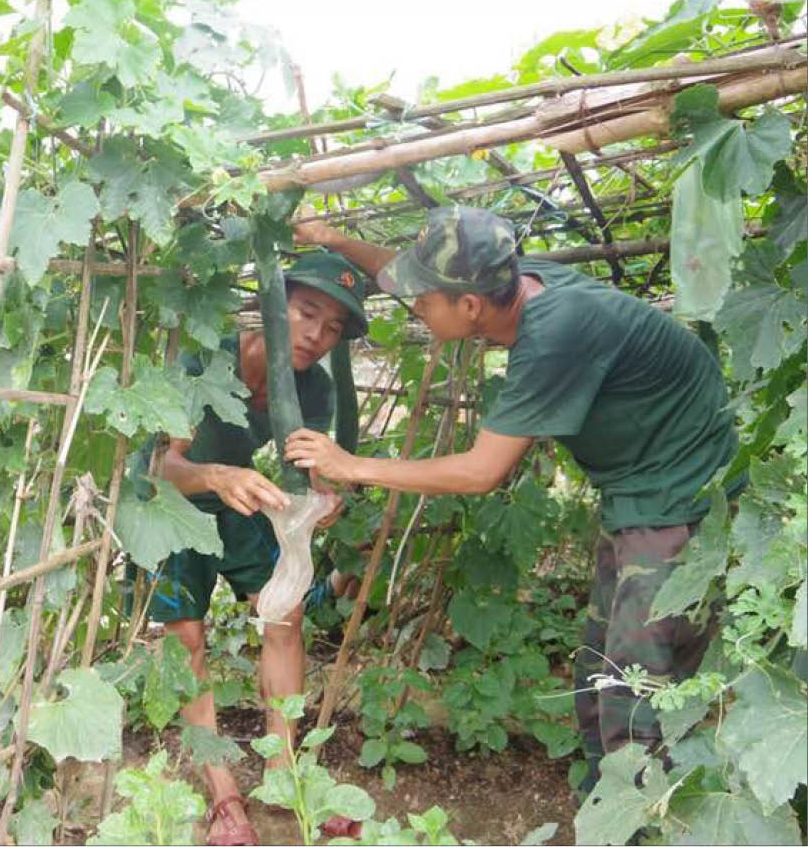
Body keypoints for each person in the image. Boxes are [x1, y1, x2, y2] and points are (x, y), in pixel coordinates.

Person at [285, 205, 740, 798]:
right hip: (641, 495)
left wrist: (350, 464)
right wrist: (334, 239)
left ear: (470, 307)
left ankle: (651, 819)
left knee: (636, 692)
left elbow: (481, 471)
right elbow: (400, 272)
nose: (412, 303)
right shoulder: (514, 279)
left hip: (682, 508)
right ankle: (608, 807)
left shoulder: (553, 333)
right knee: (596, 673)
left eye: (424, 298)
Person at [146, 252, 367, 845]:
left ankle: (282, 776)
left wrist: (322, 496)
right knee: (186, 637)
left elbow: (310, 461)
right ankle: (224, 797)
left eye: (334, 328)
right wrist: (217, 475)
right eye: (306, 312)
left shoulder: (314, 386)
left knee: (284, 613)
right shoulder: (204, 356)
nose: (318, 335)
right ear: (272, 308)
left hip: (237, 498)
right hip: (169, 502)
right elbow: (161, 465)